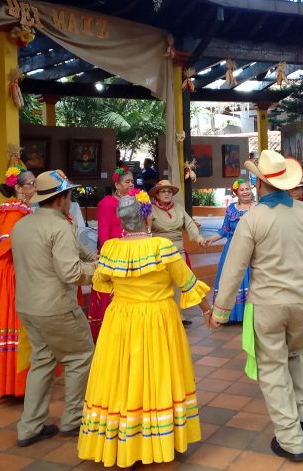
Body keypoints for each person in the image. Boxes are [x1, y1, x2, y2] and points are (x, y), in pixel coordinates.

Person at [212, 151, 303, 462]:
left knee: (273, 368)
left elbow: (233, 268)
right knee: (299, 355)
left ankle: (291, 439)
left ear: (259, 183)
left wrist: (220, 310)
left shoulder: (253, 218)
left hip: (268, 305)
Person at [77, 193, 213, 468]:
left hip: (121, 319)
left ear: (122, 221)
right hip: (157, 317)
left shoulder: (112, 249)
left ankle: (121, 438)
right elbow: (187, 283)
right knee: (157, 371)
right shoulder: (162, 247)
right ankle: (158, 438)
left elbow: (102, 282)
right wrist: (207, 311)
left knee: (122, 375)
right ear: (148, 218)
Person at [11, 169, 97, 447]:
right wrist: (100, 268)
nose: (70, 200)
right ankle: (74, 420)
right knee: (80, 355)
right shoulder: (58, 226)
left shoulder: (24, 223)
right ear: (60, 198)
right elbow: (71, 273)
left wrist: (90, 257)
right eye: (69, 195)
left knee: (42, 361)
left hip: (28, 307)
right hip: (56, 307)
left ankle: (29, 427)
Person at [0, 162, 36, 399]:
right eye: (30, 183)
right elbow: (8, 246)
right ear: (18, 188)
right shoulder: (13, 212)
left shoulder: (23, 209)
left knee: (20, 327)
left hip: (16, 271)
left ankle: (18, 384)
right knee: (15, 326)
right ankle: (12, 384)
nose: (34, 187)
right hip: (10, 273)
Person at [149, 179, 206, 326]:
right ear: (157, 194)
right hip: (158, 252)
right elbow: (145, 229)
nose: (166, 194)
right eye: (163, 191)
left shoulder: (179, 208)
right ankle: (162, 315)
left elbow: (190, 224)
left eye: (169, 191)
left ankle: (178, 315)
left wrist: (199, 238)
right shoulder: (150, 208)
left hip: (177, 251)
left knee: (178, 284)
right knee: (161, 284)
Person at [201, 178, 255, 322]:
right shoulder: (231, 209)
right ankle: (229, 315)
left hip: (252, 250)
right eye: (242, 189)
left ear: (251, 191)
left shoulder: (258, 207)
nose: (245, 192)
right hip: (232, 249)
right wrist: (210, 239)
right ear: (236, 192)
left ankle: (250, 315)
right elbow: (224, 230)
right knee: (229, 279)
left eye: (247, 189)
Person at [90, 166, 134, 339]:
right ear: (117, 185)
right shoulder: (108, 203)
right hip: (114, 254)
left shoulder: (133, 200)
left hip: (130, 251)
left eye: (132, 181)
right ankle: (111, 331)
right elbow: (103, 230)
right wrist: (106, 254)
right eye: (127, 182)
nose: (131, 184)